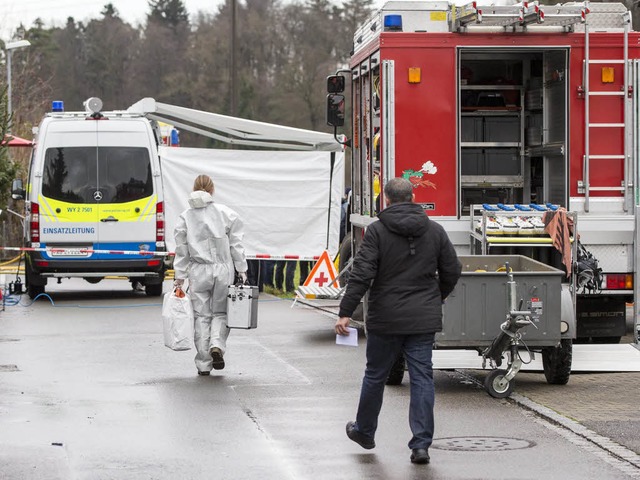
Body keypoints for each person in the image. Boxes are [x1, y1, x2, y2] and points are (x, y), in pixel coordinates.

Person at [335, 177, 462, 465]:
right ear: (413, 197)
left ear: (387, 201)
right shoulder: (435, 231)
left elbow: (362, 274)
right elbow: (453, 269)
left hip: (385, 318)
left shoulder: (377, 232)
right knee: (421, 378)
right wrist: (436, 296)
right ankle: (421, 445)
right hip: (422, 319)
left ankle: (365, 432)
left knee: (375, 375)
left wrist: (345, 312)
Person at [173, 174, 248, 376]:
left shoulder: (185, 217)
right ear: (212, 190)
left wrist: (179, 278)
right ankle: (217, 344)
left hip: (198, 271)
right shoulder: (226, 214)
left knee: (201, 316)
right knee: (221, 312)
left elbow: (182, 251)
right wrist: (242, 270)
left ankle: (203, 363)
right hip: (223, 269)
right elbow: (236, 245)